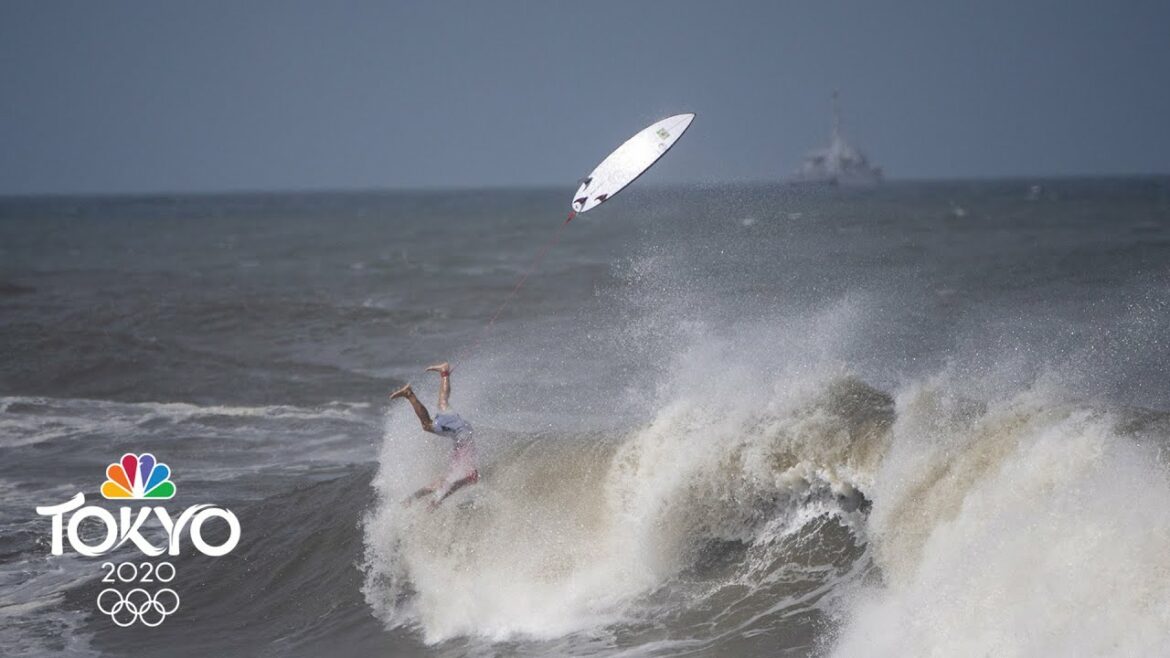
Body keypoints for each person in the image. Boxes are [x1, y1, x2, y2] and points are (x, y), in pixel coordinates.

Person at [389, 361, 478, 509]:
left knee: (442, 404)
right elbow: (452, 485)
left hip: (462, 432)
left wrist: (413, 498)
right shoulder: (469, 475)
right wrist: (437, 501)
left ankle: (444, 373)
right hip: (461, 433)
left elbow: (439, 484)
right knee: (428, 424)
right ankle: (409, 393)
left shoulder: (460, 471)